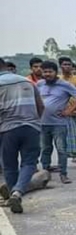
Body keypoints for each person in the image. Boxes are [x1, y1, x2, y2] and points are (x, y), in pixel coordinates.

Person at [0, 58, 44, 213]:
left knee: (9, 164)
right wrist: (35, 122)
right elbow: (41, 106)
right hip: (31, 127)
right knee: (29, 162)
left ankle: (14, 192)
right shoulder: (27, 82)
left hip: (7, 129)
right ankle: (17, 192)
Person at [37, 61, 76, 184]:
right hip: (43, 123)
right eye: (45, 71)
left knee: (61, 149)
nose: (47, 74)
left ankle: (63, 174)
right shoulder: (39, 84)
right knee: (45, 149)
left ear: (56, 72)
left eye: (50, 71)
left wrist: (69, 110)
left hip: (59, 123)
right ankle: (44, 173)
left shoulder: (64, 85)